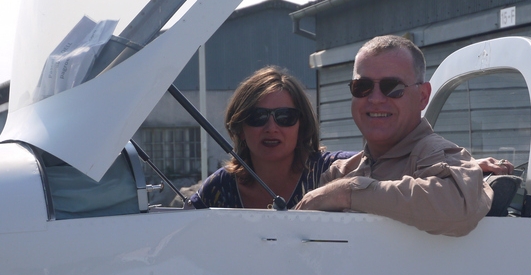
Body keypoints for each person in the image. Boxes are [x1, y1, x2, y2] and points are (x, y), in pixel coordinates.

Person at [295, 35, 493, 236]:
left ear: (423, 96)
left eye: (393, 87)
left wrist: (348, 192)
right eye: (362, 87)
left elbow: (459, 206)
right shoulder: (340, 173)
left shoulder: (435, 155)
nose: (375, 99)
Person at [189, 66, 355, 209]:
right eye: (258, 117)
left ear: (302, 126)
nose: (271, 128)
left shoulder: (332, 170)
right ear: (240, 129)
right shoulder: (219, 188)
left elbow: (371, 169)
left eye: (285, 117)